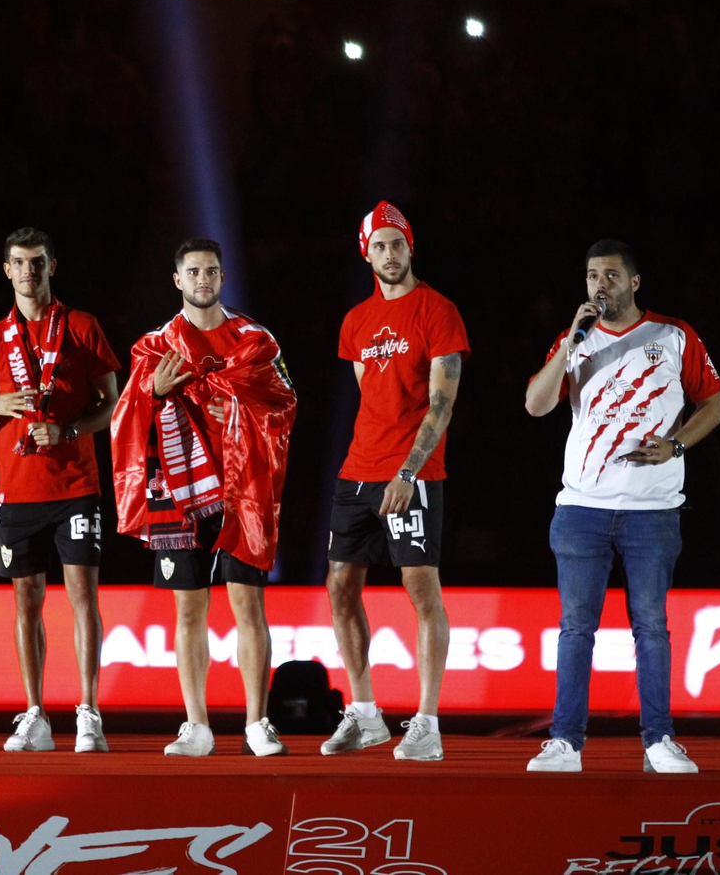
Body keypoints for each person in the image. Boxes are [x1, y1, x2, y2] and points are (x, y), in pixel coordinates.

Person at [523, 239, 720, 774]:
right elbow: (536, 405)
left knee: (652, 627)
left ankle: (658, 741)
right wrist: (570, 341)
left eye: (610, 276)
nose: (599, 286)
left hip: (651, 510)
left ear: (634, 282)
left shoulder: (673, 335)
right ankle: (565, 742)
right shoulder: (576, 341)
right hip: (582, 506)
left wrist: (677, 444)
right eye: (591, 277)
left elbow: (713, 404)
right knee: (575, 628)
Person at [113, 238, 298, 757]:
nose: (202, 280)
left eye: (211, 271)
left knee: (249, 605)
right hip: (178, 493)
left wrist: (239, 410)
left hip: (243, 492)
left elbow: (285, 402)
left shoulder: (256, 341)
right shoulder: (155, 346)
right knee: (189, 611)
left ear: (223, 277)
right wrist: (151, 394)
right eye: (192, 272)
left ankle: (257, 724)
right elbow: (126, 414)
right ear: (177, 280)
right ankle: (196, 726)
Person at [0, 227, 120, 753]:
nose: (29, 271)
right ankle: (35, 713)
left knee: (82, 598)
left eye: (38, 261)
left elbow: (112, 404)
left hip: (76, 485)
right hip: (18, 489)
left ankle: (89, 712)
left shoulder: (81, 326)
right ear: (6, 271)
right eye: (19, 262)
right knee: (26, 601)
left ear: (53, 265)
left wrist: (70, 429)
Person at [324, 202, 468, 762]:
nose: (389, 253)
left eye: (397, 244)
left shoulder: (437, 310)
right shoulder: (356, 321)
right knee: (340, 587)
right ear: (367, 252)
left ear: (411, 248)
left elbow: (441, 403)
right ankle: (365, 714)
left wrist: (407, 471)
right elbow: (370, 394)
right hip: (357, 468)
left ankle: (427, 722)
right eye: (379, 245)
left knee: (419, 588)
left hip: (414, 472)